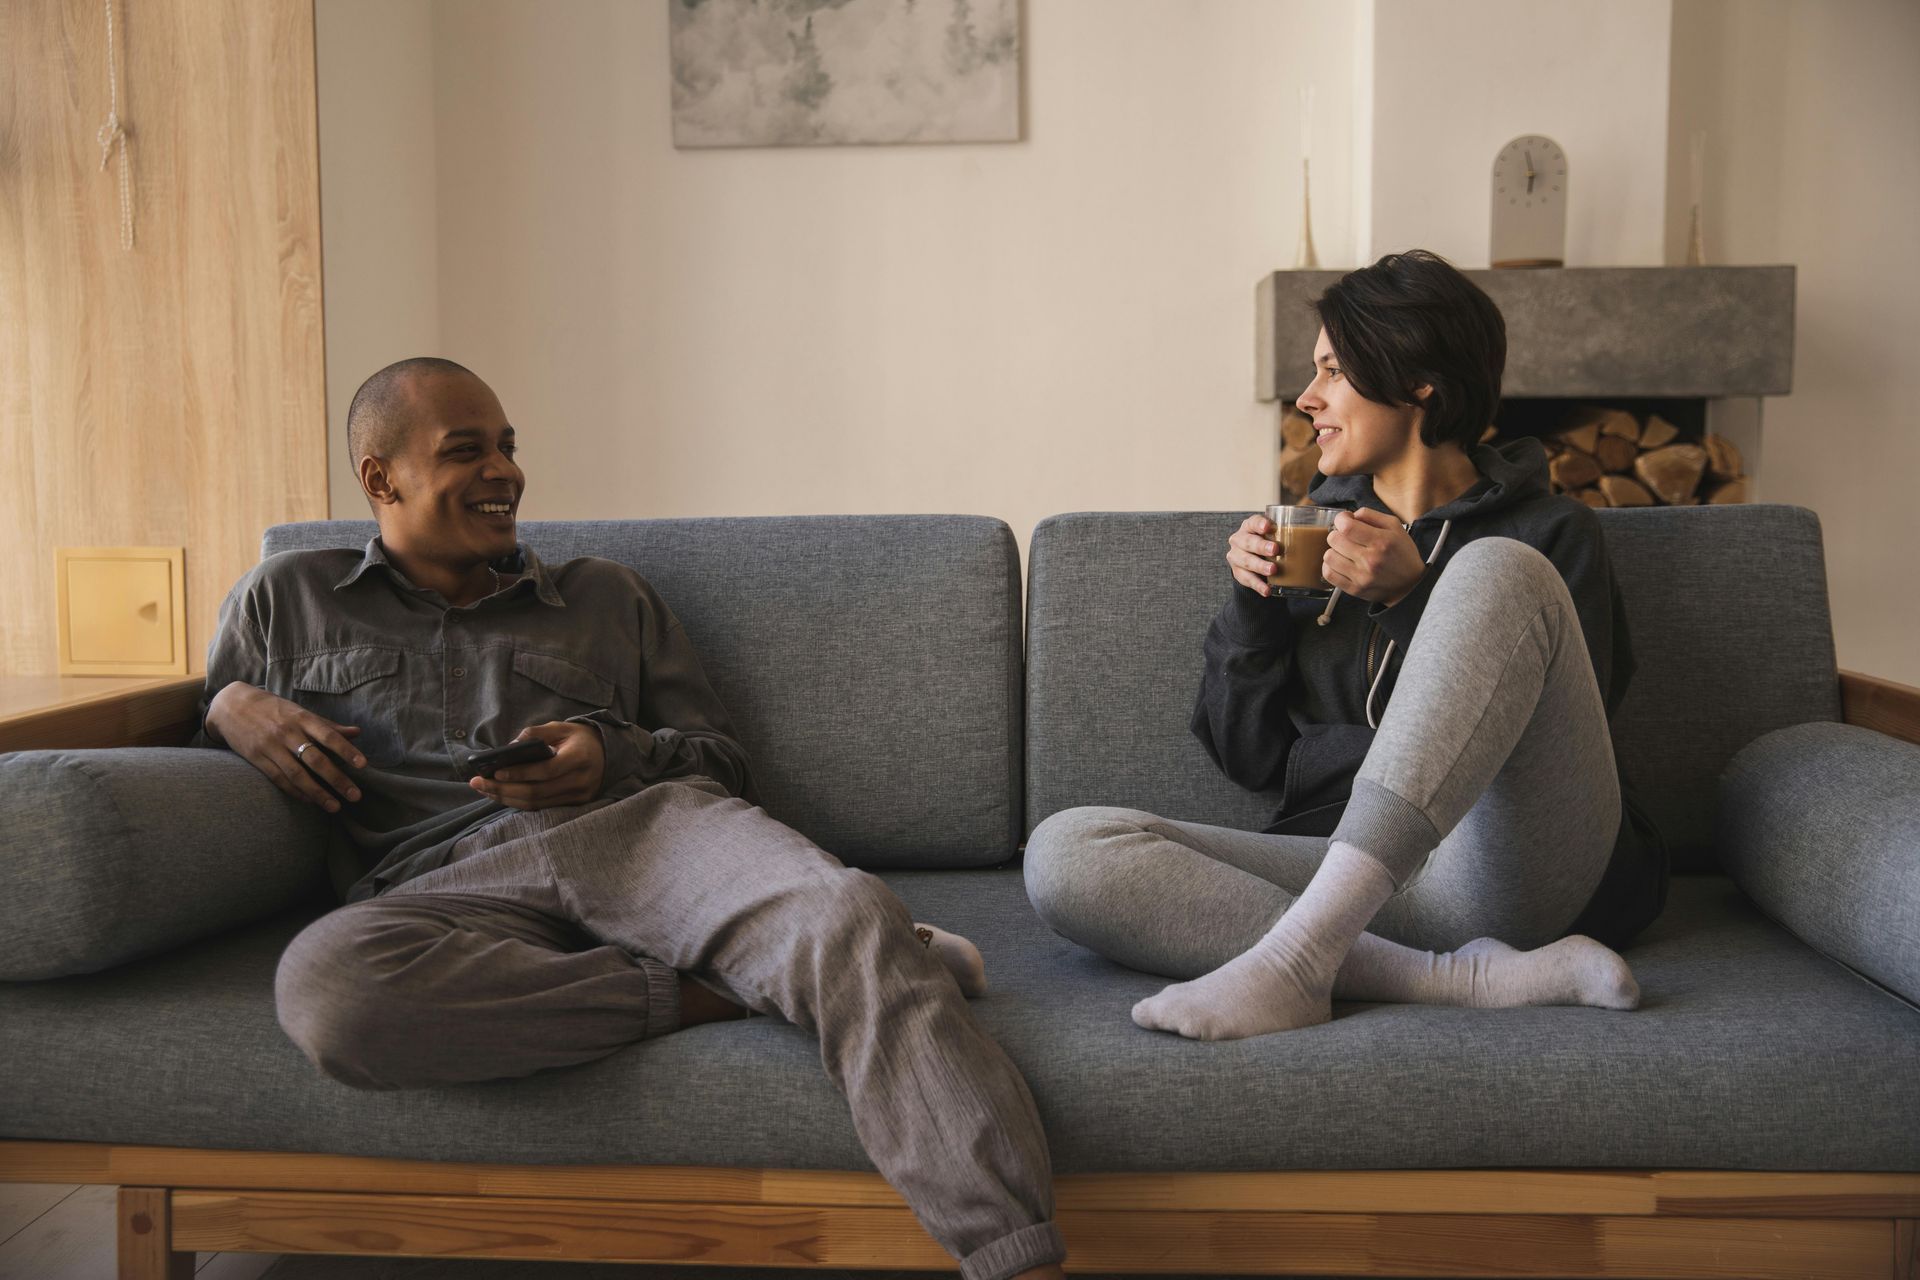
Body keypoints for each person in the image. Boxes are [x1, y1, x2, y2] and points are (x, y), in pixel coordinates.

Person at [195, 357, 1067, 1280]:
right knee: (330, 991)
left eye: (508, 447)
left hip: (651, 836)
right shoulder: (285, 598)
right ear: (381, 478)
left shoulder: (607, 594)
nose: (505, 472)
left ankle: (1016, 1261)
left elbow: (724, 763)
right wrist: (226, 707)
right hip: (447, 889)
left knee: (846, 913)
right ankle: (732, 986)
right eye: (467, 451)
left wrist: (614, 753)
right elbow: (197, 753)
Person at [1023, 250, 1667, 1041]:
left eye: (1332, 370)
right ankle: (1447, 978)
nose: (1307, 397)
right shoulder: (1309, 533)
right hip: (1354, 879)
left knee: (1498, 569)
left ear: (1416, 379)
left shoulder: (1549, 533)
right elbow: (1249, 759)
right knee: (1067, 851)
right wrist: (1251, 606)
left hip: (1512, 865)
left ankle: (1297, 962)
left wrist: (1414, 596)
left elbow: (1561, 739)